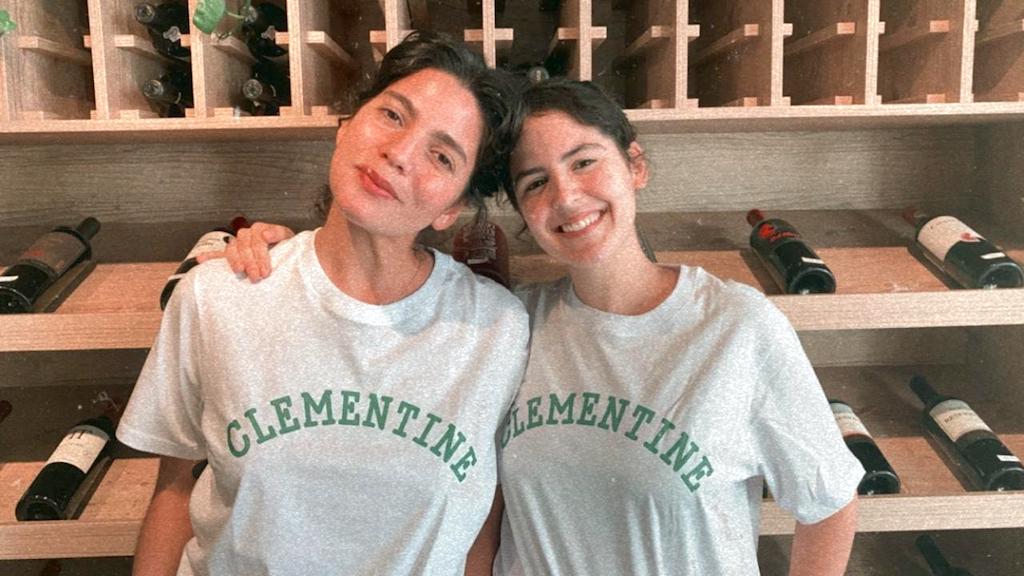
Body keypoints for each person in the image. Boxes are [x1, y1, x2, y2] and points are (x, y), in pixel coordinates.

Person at [221, 79, 864, 575]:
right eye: (536, 183)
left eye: (584, 162)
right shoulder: (513, 324)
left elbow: (831, 502)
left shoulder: (736, 327)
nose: (566, 198)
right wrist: (284, 253)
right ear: (523, 213)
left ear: (635, 166)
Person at [117, 31, 529, 576]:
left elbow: (482, 522)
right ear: (345, 126)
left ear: (451, 209)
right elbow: (173, 492)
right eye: (392, 115)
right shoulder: (217, 297)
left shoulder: (497, 328)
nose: (400, 154)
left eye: (441, 155)